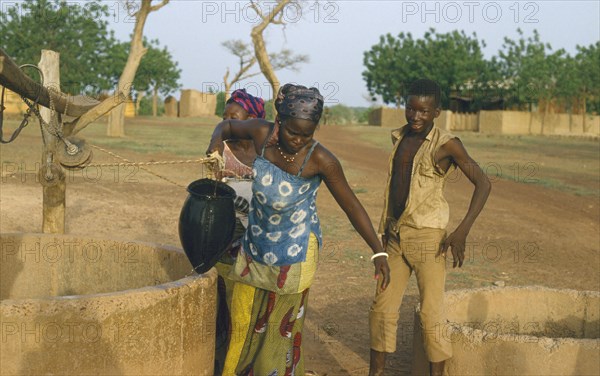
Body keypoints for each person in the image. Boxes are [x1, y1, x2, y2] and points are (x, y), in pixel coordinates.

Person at [207, 83, 391, 375]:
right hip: (256, 244)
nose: (298, 140)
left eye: (307, 134)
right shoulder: (260, 133)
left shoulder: (321, 160)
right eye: (293, 132)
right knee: (243, 323)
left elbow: (353, 207)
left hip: (296, 252)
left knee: (277, 336)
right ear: (278, 120)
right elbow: (226, 126)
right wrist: (216, 142)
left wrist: (378, 253)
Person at [368, 79, 491, 376]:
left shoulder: (447, 144)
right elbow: (396, 190)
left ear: (436, 112)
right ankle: (377, 372)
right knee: (381, 309)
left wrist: (462, 230)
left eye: (423, 111)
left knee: (431, 312)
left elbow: (483, 183)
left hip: (428, 239)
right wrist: (384, 233)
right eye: (411, 108)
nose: (415, 116)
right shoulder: (400, 138)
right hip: (395, 238)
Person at [213, 88, 266, 375]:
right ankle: (223, 362)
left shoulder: (269, 153)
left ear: (253, 120)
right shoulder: (221, 151)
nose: (228, 123)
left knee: (252, 307)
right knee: (225, 306)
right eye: (225, 118)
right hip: (227, 235)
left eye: (235, 118)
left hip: (260, 238)